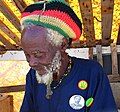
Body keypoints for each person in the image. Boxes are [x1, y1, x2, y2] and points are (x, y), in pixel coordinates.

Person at [20, 0, 118, 112]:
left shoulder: (92, 73)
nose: (31, 63)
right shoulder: (33, 75)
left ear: (62, 44)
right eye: (27, 55)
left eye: (38, 54)